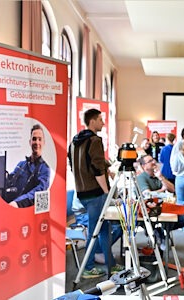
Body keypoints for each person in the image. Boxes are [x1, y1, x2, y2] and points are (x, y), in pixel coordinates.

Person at [68, 108, 123, 278]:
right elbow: (96, 168)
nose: (103, 123)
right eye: (100, 120)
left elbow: (81, 163)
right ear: (92, 121)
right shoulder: (94, 140)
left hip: (82, 192)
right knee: (95, 231)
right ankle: (87, 267)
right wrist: (107, 192)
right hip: (95, 193)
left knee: (103, 228)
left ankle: (110, 264)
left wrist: (107, 167)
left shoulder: (75, 141)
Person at [136, 155, 184, 239]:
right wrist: (162, 190)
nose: (154, 162)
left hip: (163, 208)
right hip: (149, 210)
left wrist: (161, 177)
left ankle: (161, 231)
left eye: (153, 160)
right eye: (150, 161)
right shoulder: (141, 178)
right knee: (158, 222)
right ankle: (159, 232)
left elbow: (172, 189)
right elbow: (147, 194)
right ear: (144, 166)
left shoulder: (158, 175)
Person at [3, 124, 50, 208]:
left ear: (44, 143)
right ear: (30, 142)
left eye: (40, 139)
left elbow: (39, 192)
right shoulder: (21, 165)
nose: (37, 142)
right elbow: (9, 181)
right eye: (34, 139)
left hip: (26, 212)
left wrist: (17, 203)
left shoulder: (45, 168)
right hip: (10, 208)